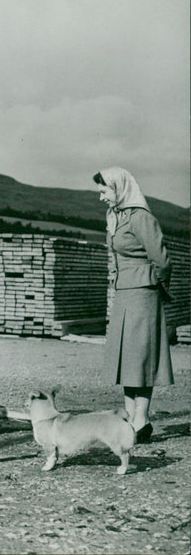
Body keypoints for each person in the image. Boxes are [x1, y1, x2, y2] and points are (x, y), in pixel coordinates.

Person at [94, 166, 173, 444]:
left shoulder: (141, 218)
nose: (101, 197)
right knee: (126, 357)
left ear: (119, 188)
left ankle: (142, 418)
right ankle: (129, 418)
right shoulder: (115, 216)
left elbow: (162, 261)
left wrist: (153, 286)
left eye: (104, 191)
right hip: (124, 293)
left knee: (141, 356)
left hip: (143, 293)